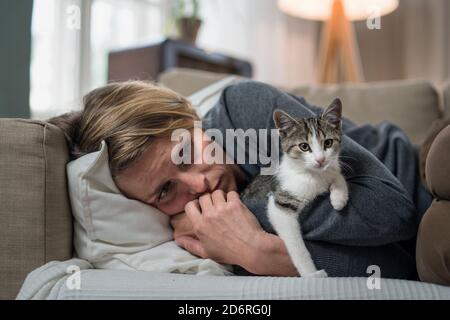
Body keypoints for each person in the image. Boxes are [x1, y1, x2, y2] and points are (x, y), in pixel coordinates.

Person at [49, 80, 434, 280]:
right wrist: (254, 253)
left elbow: (394, 213)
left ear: (189, 116)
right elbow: (397, 266)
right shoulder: (207, 242)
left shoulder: (245, 109)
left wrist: (252, 224)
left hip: (425, 171)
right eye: (165, 190)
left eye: (187, 153)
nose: (197, 186)